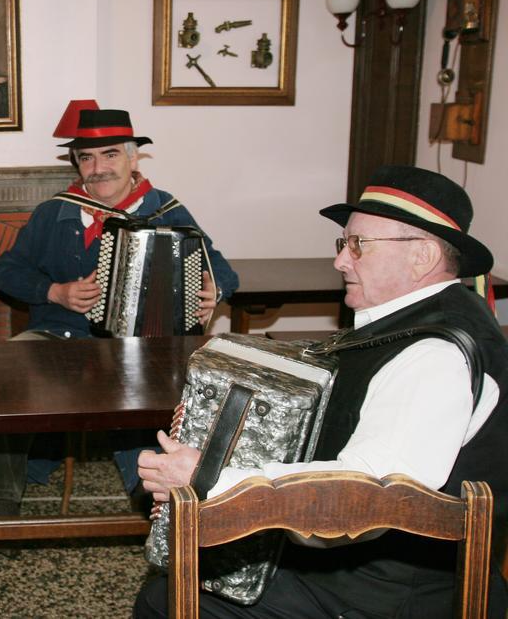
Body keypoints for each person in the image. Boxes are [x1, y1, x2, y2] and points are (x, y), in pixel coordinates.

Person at [134, 165, 508, 618]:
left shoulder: (433, 358)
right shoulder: (417, 324)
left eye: (358, 246)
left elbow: (365, 499)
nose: (341, 261)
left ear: (422, 256)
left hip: (385, 597)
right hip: (365, 570)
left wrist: (210, 477)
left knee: (164, 600)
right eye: (342, 244)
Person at [0, 108, 239, 564]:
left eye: (110, 154)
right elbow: (8, 271)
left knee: (160, 391)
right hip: (61, 337)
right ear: (77, 164)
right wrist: (55, 291)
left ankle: (153, 505)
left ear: (134, 159)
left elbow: (222, 270)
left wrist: (213, 291)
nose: (98, 168)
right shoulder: (56, 212)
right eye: (87, 158)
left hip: (145, 348)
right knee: (6, 379)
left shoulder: (166, 208)